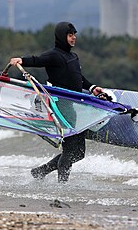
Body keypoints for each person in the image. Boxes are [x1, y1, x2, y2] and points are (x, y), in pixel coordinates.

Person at [9, 21, 104, 183]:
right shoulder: (54, 55)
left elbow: (78, 78)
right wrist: (21, 61)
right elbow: (38, 60)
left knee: (79, 153)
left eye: (74, 34)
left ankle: (41, 171)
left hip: (73, 107)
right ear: (62, 36)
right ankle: (62, 185)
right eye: (70, 35)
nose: (73, 38)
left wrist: (92, 87)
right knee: (69, 150)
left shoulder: (73, 56)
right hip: (61, 106)